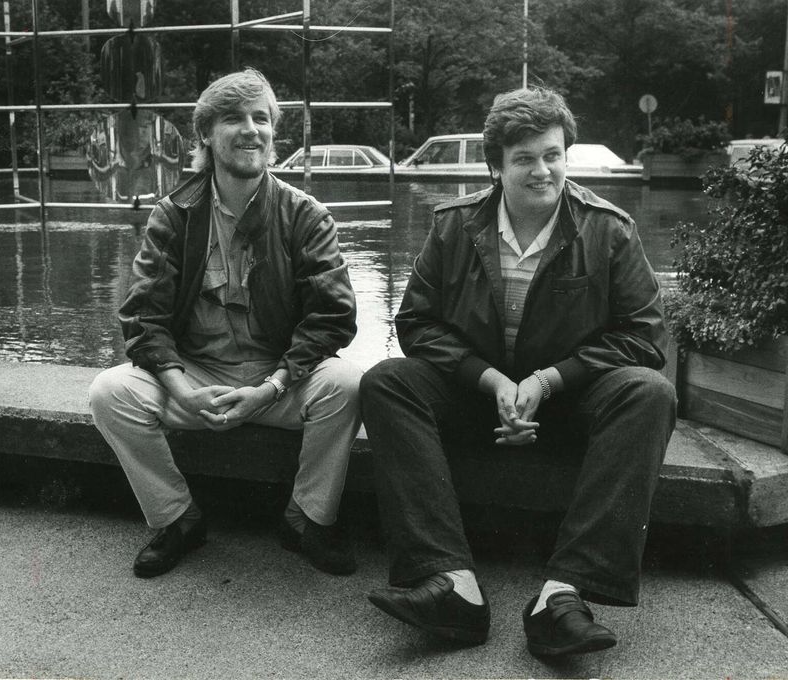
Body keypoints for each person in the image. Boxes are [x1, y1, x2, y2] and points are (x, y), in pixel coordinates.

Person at [360, 86, 676, 656]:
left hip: (570, 405)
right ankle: (451, 584)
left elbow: (645, 335)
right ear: (496, 167)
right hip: (478, 400)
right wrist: (492, 380)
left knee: (649, 392)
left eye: (553, 155)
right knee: (387, 381)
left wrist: (549, 380)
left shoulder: (609, 229)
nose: (542, 171)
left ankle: (563, 594)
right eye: (524, 158)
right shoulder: (453, 225)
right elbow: (416, 323)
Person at [89, 68, 361, 579]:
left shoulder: (306, 215)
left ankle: (306, 519)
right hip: (197, 379)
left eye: (261, 118)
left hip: (278, 381)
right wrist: (182, 389)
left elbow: (333, 319)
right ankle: (178, 519)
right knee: (109, 392)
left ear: (273, 134)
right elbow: (143, 317)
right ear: (206, 135)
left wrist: (272, 386)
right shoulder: (174, 215)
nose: (251, 130)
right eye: (234, 118)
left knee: (347, 384)